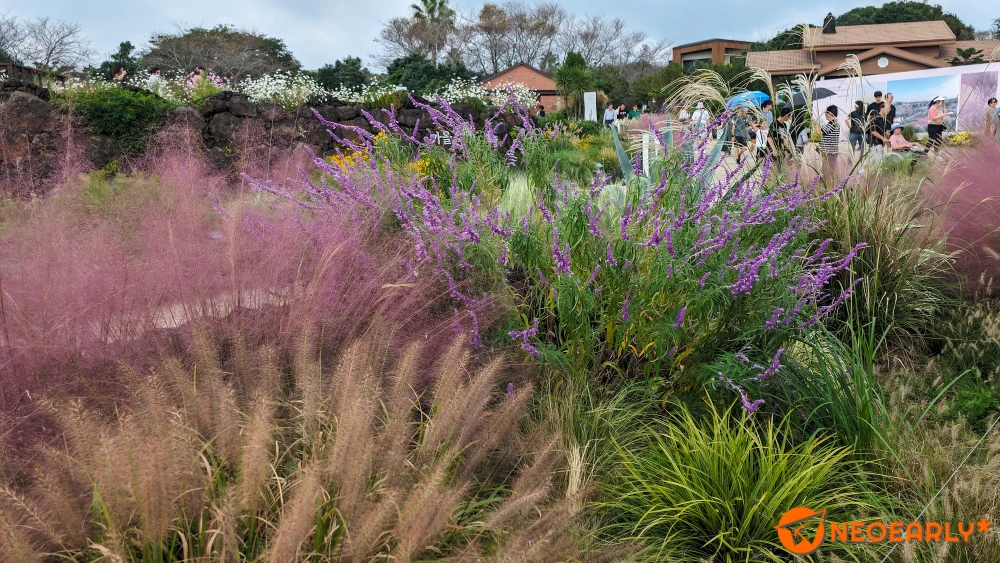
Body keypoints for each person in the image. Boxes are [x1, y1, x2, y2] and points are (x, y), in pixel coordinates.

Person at [815, 105, 841, 177]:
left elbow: (819, 132)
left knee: (827, 169)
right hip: (831, 151)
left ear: (830, 113)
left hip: (829, 151)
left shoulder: (832, 124)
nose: (825, 114)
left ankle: (827, 181)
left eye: (826, 112)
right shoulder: (834, 123)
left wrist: (815, 124)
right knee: (830, 168)